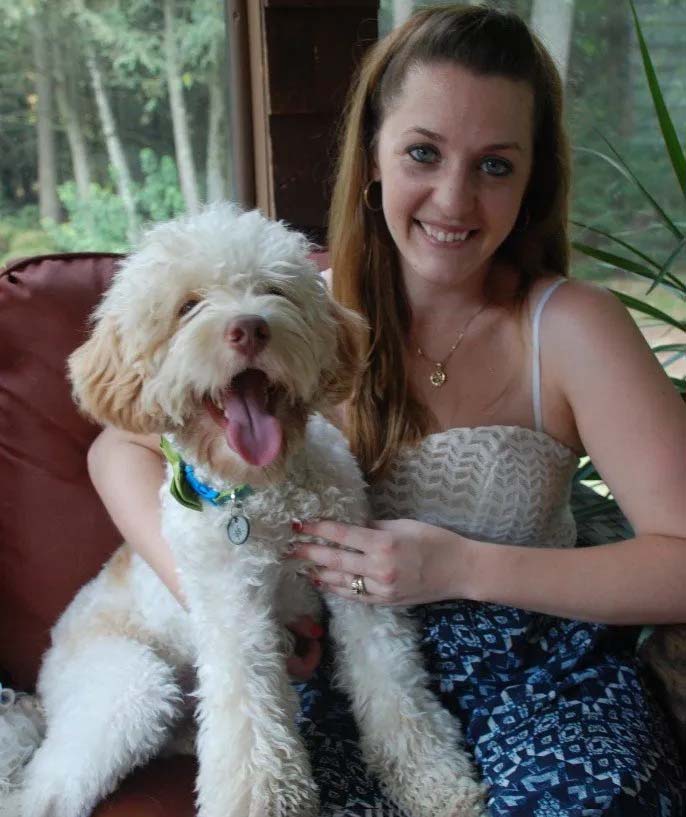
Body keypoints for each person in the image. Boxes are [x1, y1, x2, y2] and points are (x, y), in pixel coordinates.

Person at [88, 4, 686, 815]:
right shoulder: (290, 310)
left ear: (533, 178)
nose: (454, 197)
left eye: (496, 166)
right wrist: (226, 603)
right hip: (342, 688)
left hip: (540, 677)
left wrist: (464, 566)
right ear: (372, 155)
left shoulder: (573, 328)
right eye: (422, 152)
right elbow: (115, 448)